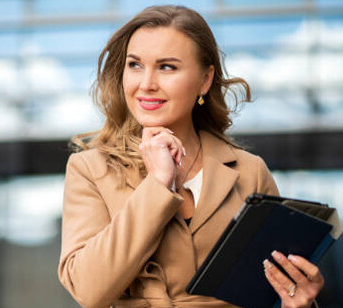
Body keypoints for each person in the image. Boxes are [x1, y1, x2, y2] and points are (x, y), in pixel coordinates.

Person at [58, 5, 324, 308]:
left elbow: (275, 291)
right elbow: (88, 290)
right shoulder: (90, 169)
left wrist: (300, 301)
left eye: (167, 67)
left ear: (205, 79)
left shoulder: (250, 171)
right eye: (135, 65)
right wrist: (158, 184)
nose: (146, 83)